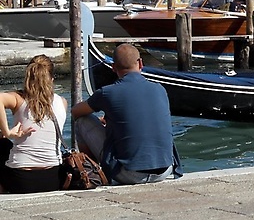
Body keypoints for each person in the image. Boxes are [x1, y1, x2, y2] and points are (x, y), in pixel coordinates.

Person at [71, 44, 182, 185]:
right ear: (140, 63)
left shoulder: (107, 92)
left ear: (113, 67)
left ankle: (92, 173)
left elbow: (76, 112)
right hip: (165, 170)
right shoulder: (160, 89)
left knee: (82, 120)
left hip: (129, 174)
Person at [0, 55, 66, 194]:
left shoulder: (18, 99)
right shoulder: (62, 102)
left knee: (1, 143)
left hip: (20, 181)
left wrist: (7, 132)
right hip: (53, 180)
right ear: (52, 79)